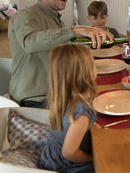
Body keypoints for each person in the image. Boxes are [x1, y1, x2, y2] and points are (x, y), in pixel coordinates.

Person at [8, 0, 113, 108]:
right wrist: (76, 29)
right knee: (93, 113)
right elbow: (31, 43)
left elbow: (62, 53)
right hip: (35, 99)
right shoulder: (26, 14)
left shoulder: (56, 20)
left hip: (59, 92)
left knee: (107, 97)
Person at [40, 43, 97, 173]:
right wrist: (93, 158)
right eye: (93, 64)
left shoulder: (63, 96)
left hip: (51, 157)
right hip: (64, 166)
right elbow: (69, 153)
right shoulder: (82, 113)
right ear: (85, 73)